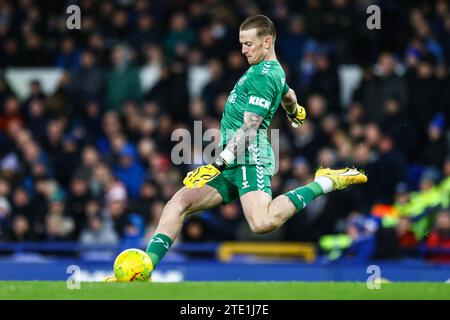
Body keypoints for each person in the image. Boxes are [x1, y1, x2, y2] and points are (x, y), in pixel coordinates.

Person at [105, 15, 367, 281]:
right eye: (241, 44)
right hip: (233, 156)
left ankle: (324, 182)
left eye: (248, 44)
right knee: (178, 203)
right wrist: (294, 110)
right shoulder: (267, 72)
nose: (243, 50)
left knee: (262, 223)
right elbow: (287, 92)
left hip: (249, 156)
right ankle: (145, 268)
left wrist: (219, 162)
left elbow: (250, 130)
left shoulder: (263, 77)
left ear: (267, 42)